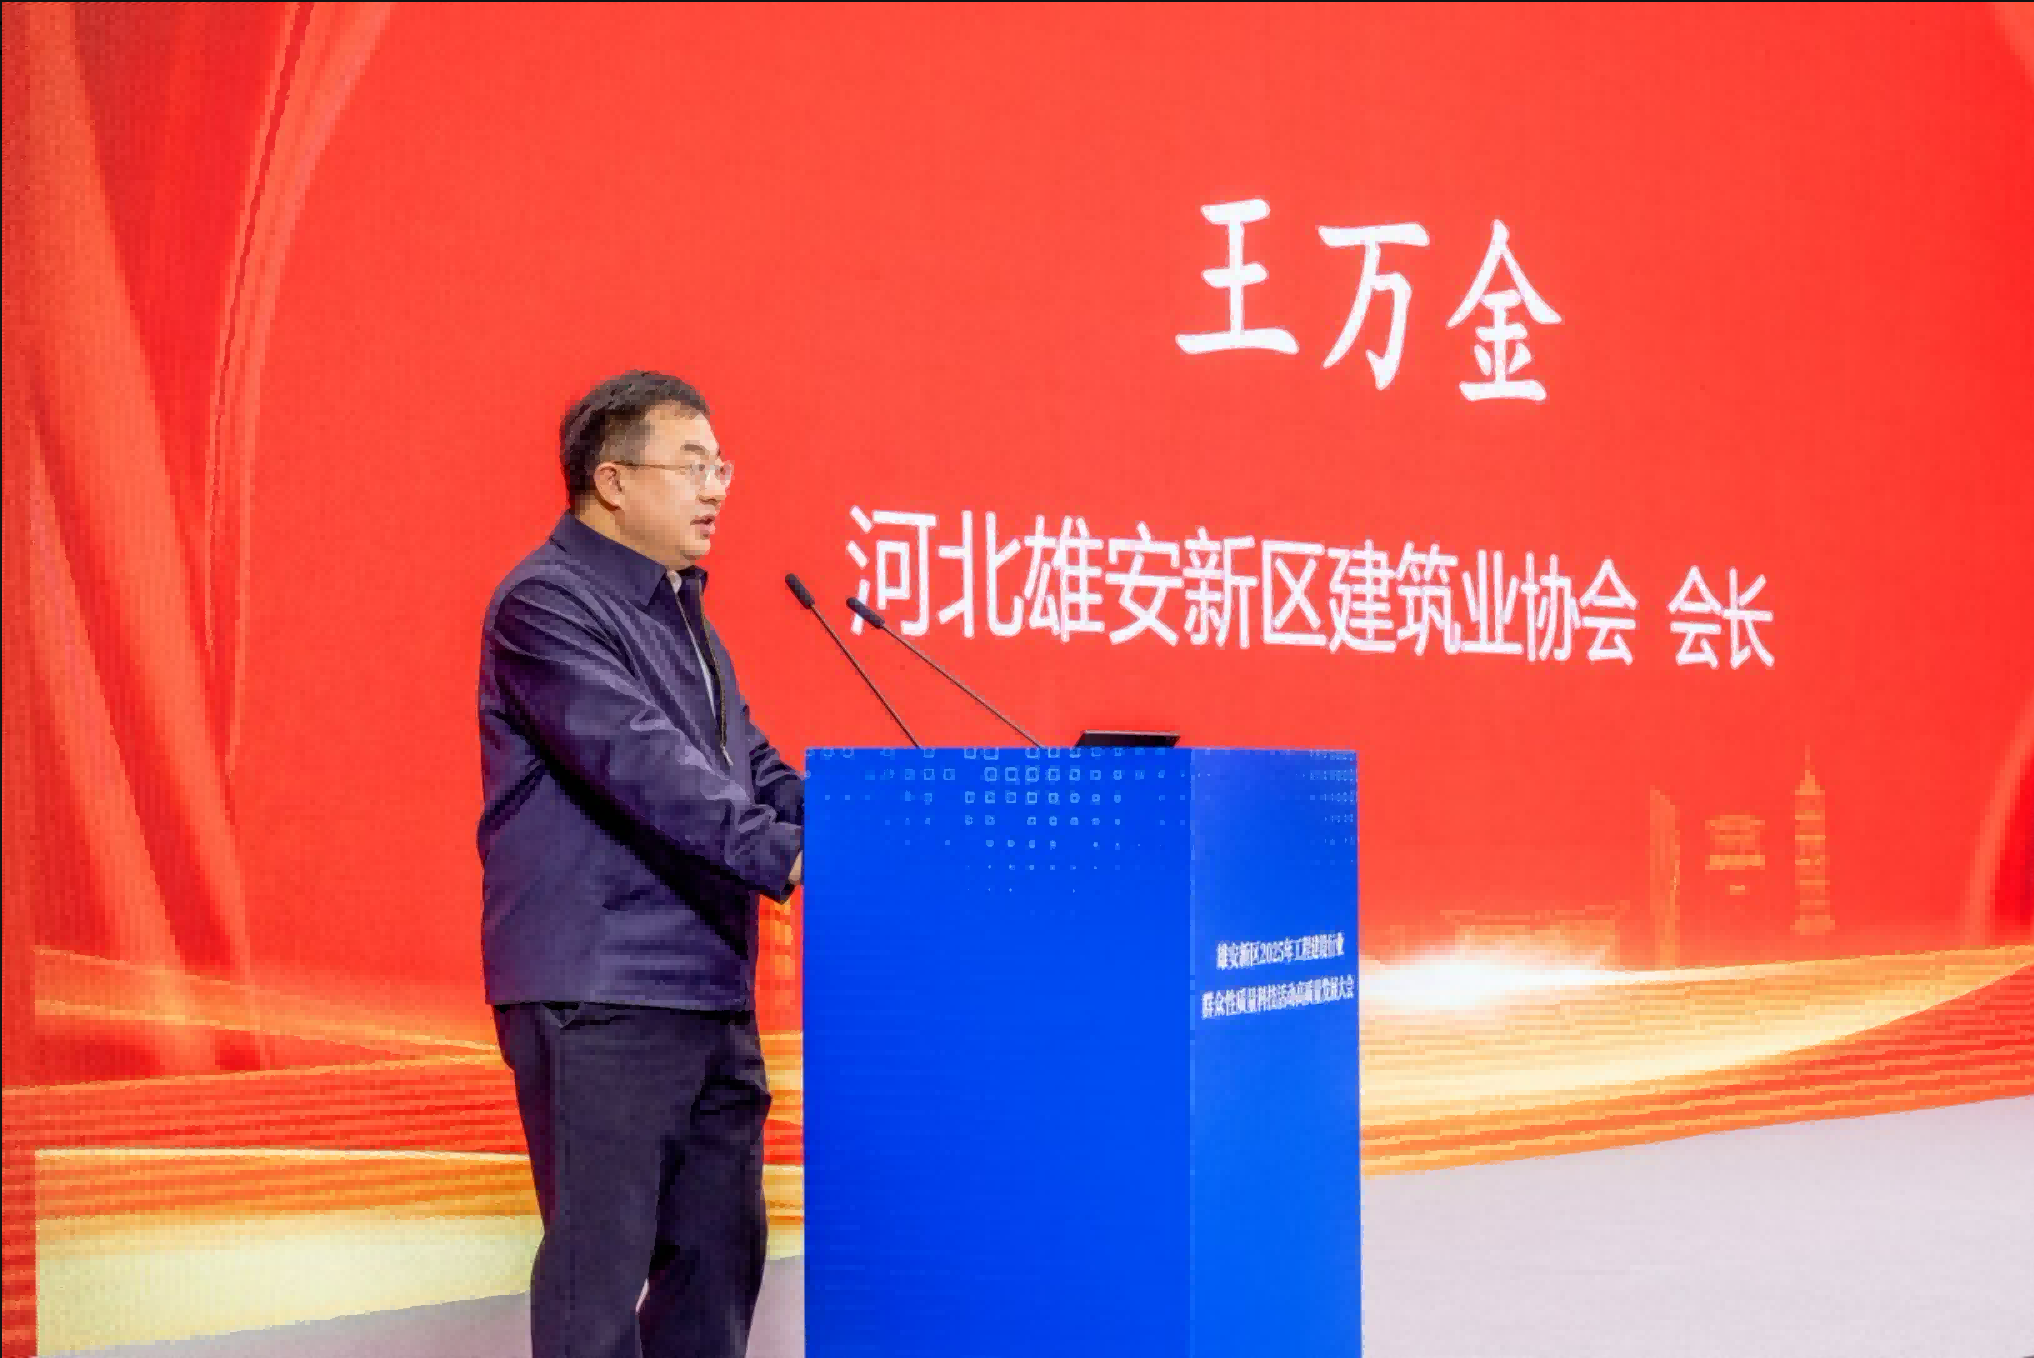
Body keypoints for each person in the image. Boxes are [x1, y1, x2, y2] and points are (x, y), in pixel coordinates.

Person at [476, 370, 805, 1358]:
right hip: (603, 990)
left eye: (721, 468)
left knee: (716, 1267)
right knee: (599, 1282)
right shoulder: (544, 603)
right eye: (692, 465)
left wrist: (883, 831)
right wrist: (786, 857)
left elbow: (750, 766)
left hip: (708, 989)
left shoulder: (686, 615)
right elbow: (642, 764)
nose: (715, 489)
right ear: (612, 481)